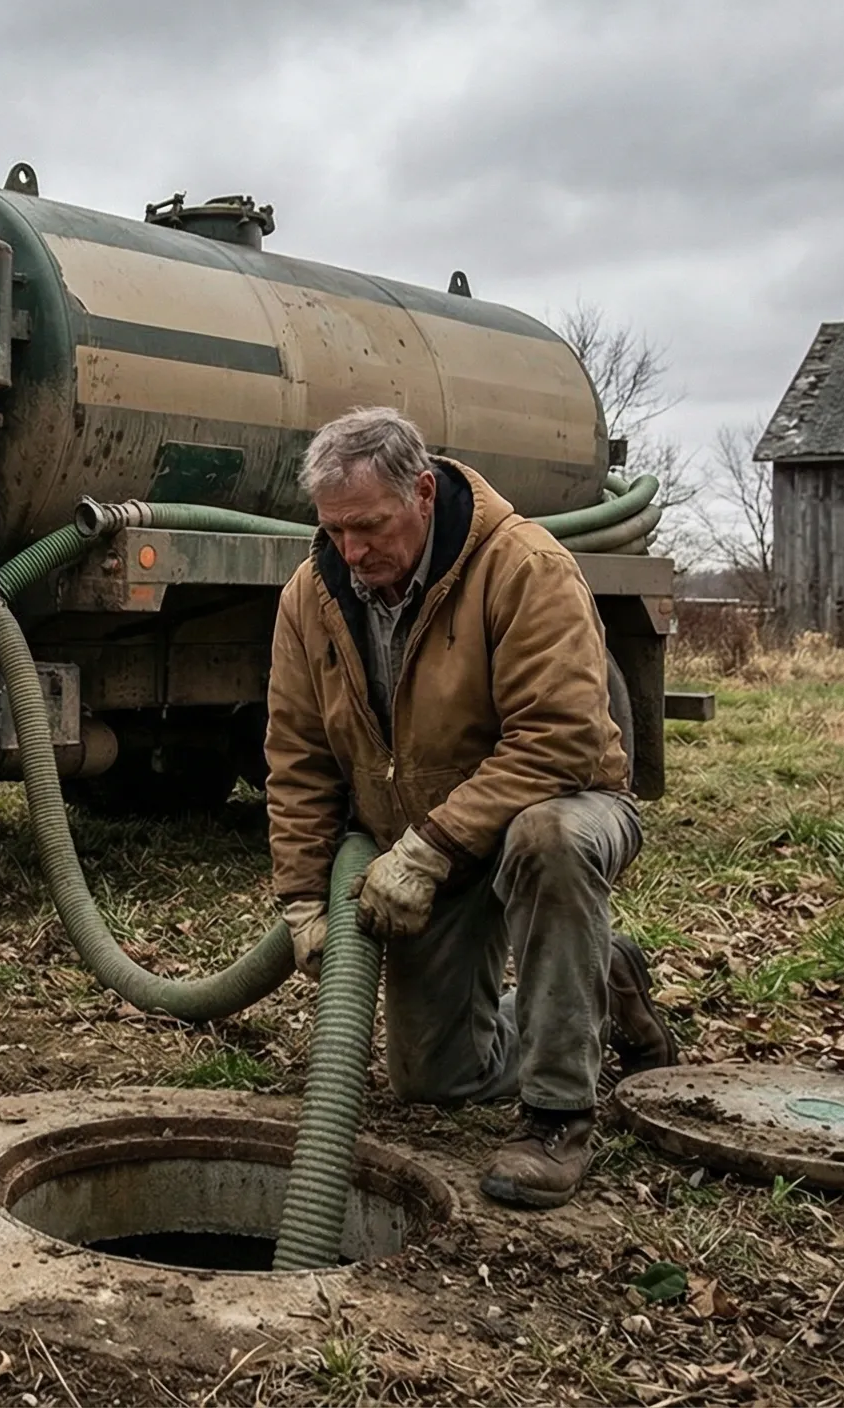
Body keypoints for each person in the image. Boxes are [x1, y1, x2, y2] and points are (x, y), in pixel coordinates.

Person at [264, 404, 676, 1209]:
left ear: (422, 493)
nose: (352, 552)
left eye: (370, 527)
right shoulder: (310, 598)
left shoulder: (524, 566)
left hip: (564, 804)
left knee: (548, 838)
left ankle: (558, 1118)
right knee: (435, 1078)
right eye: (335, 530)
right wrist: (305, 897)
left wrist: (430, 848)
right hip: (424, 841)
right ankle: (603, 986)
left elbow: (560, 738)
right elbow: (298, 757)